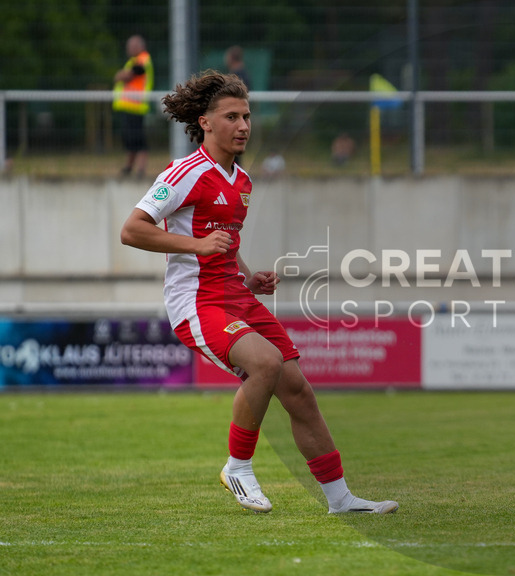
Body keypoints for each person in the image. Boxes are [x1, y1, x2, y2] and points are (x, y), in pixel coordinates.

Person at [120, 71, 397, 515]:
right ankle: (238, 467)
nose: (243, 125)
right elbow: (132, 230)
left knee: (298, 391)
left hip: (235, 295)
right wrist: (195, 245)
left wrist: (247, 277)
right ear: (205, 123)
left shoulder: (242, 181)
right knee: (265, 363)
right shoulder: (185, 173)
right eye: (231, 117)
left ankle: (340, 499)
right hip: (197, 302)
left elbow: (224, 242)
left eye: (247, 116)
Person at [113, 35, 154, 178]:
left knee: (138, 139)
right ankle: (129, 167)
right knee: (129, 139)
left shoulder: (143, 59)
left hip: (136, 107)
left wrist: (120, 75)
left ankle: (140, 169)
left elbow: (130, 75)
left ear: (140, 47)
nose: (129, 49)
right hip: (128, 106)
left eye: (132, 46)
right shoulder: (133, 61)